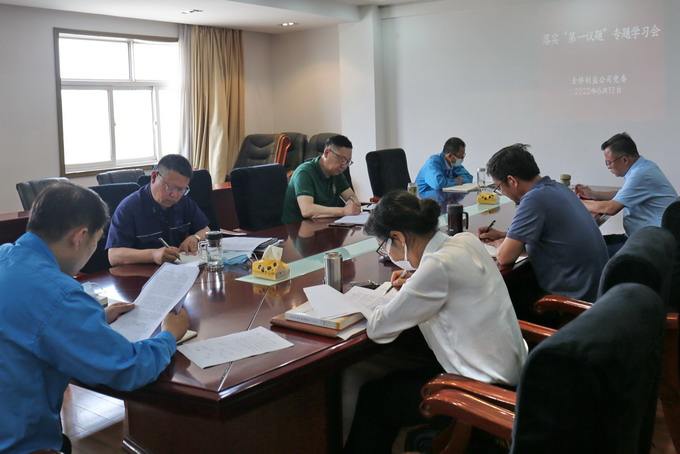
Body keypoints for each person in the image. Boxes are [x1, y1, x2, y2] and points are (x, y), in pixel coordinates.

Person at [0, 182, 189, 454]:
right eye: (96, 241)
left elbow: (27, 320)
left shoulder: (5, 255)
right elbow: (129, 368)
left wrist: (95, 316)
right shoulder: (60, 295)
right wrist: (169, 335)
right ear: (80, 236)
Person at [344, 190, 527, 454]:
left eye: (383, 246)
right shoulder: (465, 240)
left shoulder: (436, 267)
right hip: (515, 376)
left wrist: (411, 287)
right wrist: (417, 279)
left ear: (398, 237)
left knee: (374, 399)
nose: (386, 252)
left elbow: (378, 329)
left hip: (479, 394)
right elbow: (447, 281)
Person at [478, 144, 608, 313]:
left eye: (499, 187)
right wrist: (504, 235)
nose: (502, 192)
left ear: (512, 181)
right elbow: (549, 241)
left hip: (571, 303)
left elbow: (504, 257)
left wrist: (498, 244)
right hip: (595, 294)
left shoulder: (533, 199)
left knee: (497, 299)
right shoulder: (559, 188)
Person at [574, 132, 677, 254]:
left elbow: (611, 208)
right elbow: (623, 195)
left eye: (608, 162)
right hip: (647, 238)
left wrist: (576, 202)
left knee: (582, 250)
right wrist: (593, 194)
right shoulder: (646, 167)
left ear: (624, 160)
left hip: (650, 247)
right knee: (587, 244)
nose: (608, 167)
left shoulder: (641, 174)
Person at [106, 154, 210, 266]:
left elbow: (206, 229)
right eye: (170, 187)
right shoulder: (128, 208)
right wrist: (152, 255)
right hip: (143, 273)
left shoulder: (184, 202)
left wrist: (195, 237)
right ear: (154, 177)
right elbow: (114, 256)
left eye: (181, 189)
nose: (175, 195)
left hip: (178, 269)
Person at [281, 134, 361, 224]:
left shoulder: (337, 173)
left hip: (321, 224)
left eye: (348, 162)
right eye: (342, 160)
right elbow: (307, 210)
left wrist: (352, 204)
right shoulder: (304, 172)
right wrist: (344, 211)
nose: (344, 166)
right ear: (326, 153)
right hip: (296, 227)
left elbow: (351, 196)